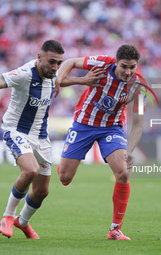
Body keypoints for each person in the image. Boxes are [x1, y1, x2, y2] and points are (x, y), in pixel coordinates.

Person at [0, 40, 103, 239]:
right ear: (39, 57)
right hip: (17, 131)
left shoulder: (52, 73)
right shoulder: (23, 75)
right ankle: (8, 216)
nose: (56, 67)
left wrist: (83, 80)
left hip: (41, 135)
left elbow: (59, 79)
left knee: (41, 192)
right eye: (52, 62)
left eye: (59, 63)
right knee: (30, 170)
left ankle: (22, 222)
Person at [54, 44, 146, 240]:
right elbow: (70, 62)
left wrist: (129, 151)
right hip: (84, 123)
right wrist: (58, 80)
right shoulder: (103, 63)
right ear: (116, 62)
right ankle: (64, 166)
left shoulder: (138, 86)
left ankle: (115, 229)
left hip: (112, 128)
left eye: (132, 67)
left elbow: (138, 124)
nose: (128, 72)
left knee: (122, 172)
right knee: (64, 178)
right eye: (124, 67)